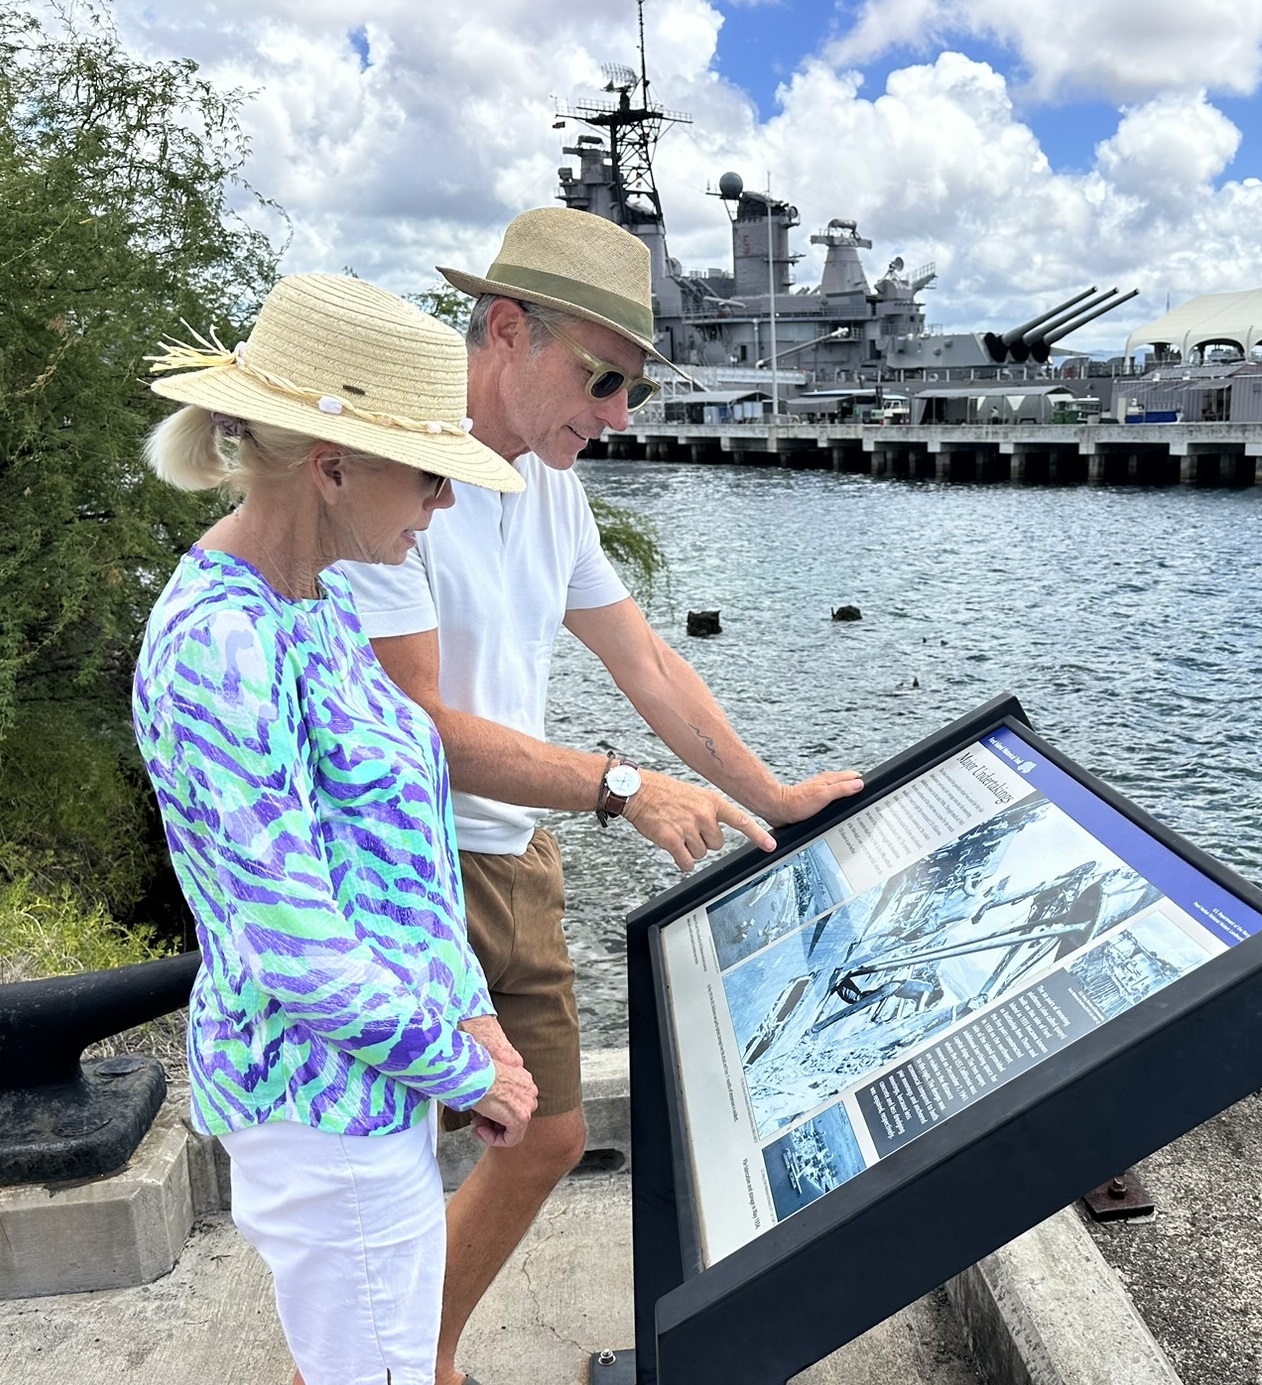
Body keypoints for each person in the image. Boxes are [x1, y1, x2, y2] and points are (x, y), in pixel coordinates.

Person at [339, 206, 865, 1385]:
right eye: (604, 377)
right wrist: (620, 786)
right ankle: (375, 1363)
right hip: (393, 863)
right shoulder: (395, 469)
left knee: (547, 1135)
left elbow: (649, 663)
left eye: (630, 385)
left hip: (511, 854)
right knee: (375, 1174)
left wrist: (772, 797)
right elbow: (411, 723)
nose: (621, 413)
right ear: (508, 330)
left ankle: (417, 1353)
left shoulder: (547, 481)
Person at [133, 273, 540, 1385]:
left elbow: (397, 858)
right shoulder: (221, 646)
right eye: (429, 474)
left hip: (371, 1090)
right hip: (321, 1114)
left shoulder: (313, 604)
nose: (443, 503)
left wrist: (472, 1016)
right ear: (332, 466)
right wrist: (469, 1068)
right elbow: (296, 947)